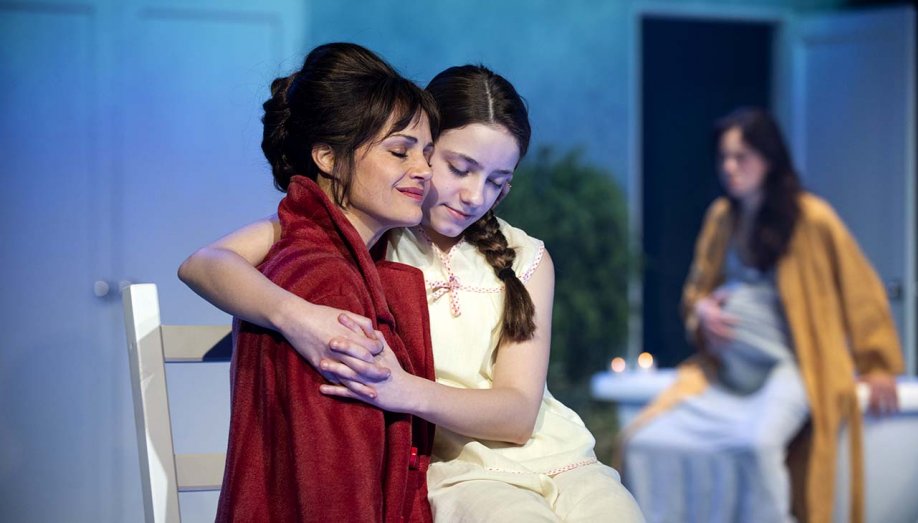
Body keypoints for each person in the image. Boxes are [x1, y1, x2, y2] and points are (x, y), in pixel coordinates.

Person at [180, 64, 644, 521]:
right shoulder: (377, 226)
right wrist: (296, 315)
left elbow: (519, 414)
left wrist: (404, 390)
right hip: (458, 472)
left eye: (497, 182)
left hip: (560, 456)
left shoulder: (525, 255)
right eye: (459, 168)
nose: (475, 196)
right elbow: (205, 263)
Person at [621, 108, 904, 523]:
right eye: (724, 157)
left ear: (769, 159)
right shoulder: (722, 217)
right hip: (726, 376)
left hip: (792, 370)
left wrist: (878, 364)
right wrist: (702, 313)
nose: (729, 167)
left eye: (742, 157)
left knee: (756, 445)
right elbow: (697, 292)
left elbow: (861, 290)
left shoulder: (810, 218)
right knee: (645, 441)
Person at [210, 42, 439, 522]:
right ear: (327, 158)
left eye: (428, 154)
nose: (424, 171)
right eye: (400, 151)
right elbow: (334, 489)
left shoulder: (319, 259)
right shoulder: (326, 284)